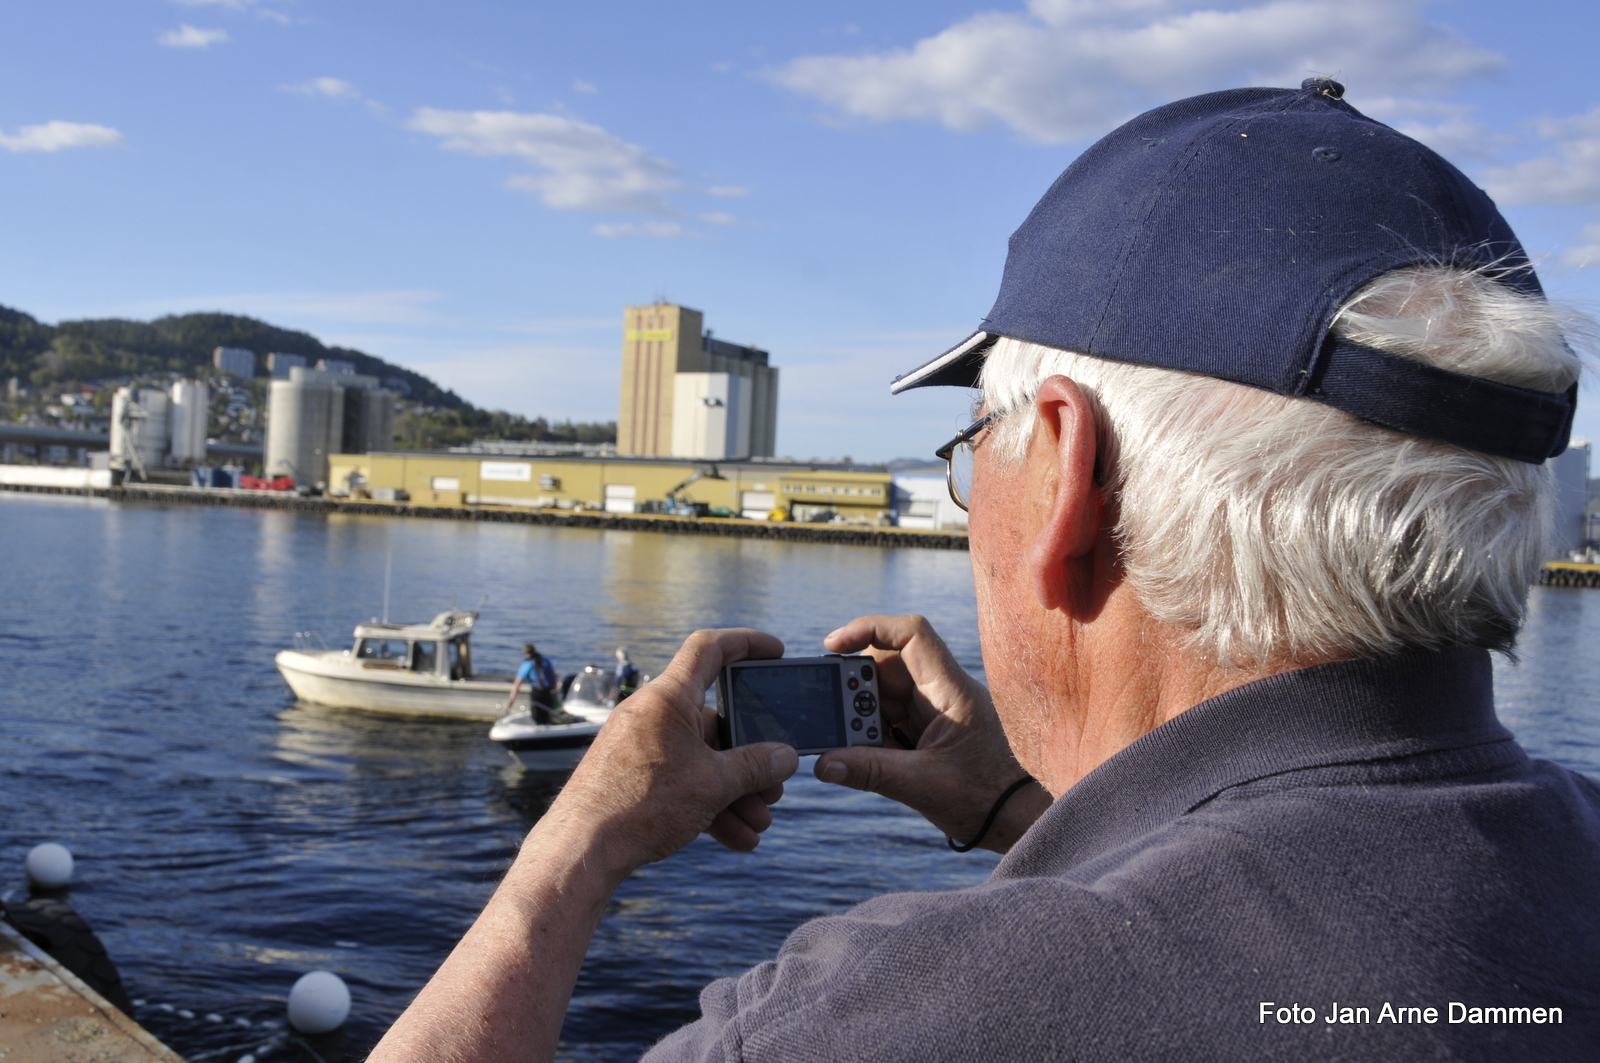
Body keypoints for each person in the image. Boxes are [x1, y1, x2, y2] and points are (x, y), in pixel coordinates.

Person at [371, 81, 1600, 1061]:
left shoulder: (879, 1024)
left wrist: (570, 851)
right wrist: (1011, 809)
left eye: (974, 452)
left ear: (1066, 475)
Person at [505, 642, 557, 724]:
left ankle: (538, 729)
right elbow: (554, 675)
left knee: (537, 717)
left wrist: (510, 702)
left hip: (537, 693)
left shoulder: (527, 664)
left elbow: (517, 685)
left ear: (526, 653)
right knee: (547, 716)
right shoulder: (545, 659)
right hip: (548, 692)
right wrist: (554, 689)